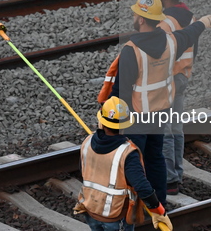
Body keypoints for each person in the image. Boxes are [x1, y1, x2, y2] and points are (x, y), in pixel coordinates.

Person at [97, 0, 211, 204]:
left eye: (135, 13)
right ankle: (158, 203)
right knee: (155, 158)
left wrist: (108, 118)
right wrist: (204, 23)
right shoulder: (171, 41)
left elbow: (121, 92)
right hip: (161, 111)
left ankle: (134, 206)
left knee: (133, 162)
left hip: (138, 116)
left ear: (141, 19)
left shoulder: (131, 51)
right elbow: (189, 33)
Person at [74, 96, 173, 230]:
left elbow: (84, 170)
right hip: (115, 215)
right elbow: (141, 186)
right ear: (126, 125)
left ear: (101, 122)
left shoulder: (87, 142)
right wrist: (158, 211)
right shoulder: (127, 152)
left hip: (91, 209)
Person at [155, 0, 197, 196]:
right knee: (176, 128)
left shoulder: (165, 23)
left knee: (164, 132)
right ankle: (176, 174)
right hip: (182, 77)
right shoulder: (189, 17)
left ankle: (169, 180)